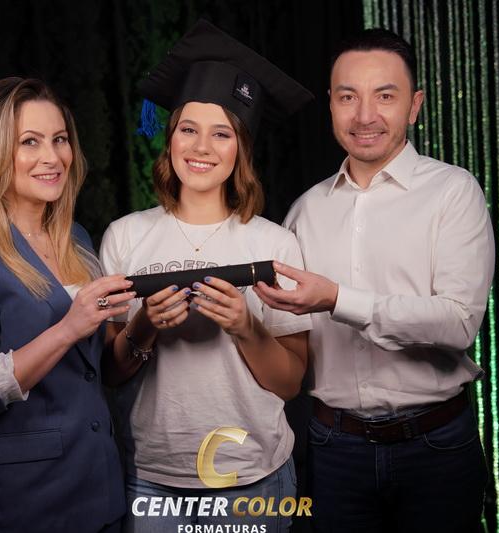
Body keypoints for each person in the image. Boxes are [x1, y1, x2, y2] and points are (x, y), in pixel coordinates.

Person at [254, 28, 495, 533]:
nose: (365, 116)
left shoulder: (453, 192)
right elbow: (286, 339)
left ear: (414, 105)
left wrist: (337, 299)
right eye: (348, 97)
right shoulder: (305, 210)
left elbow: (458, 323)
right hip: (333, 448)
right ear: (331, 105)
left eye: (385, 96)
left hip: (436, 446)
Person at [99, 20, 313, 533]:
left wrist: (245, 326)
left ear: (241, 148)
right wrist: (144, 326)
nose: (201, 147)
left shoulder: (275, 244)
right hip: (152, 478)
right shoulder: (125, 236)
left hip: (253, 476)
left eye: (222, 134)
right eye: (188, 129)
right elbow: (109, 372)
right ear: (170, 138)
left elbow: (290, 383)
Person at [0, 77, 135, 533]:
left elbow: (95, 372)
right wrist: (68, 328)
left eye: (60, 139)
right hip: (22, 505)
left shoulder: (77, 239)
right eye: (29, 142)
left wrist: (149, 325)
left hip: (101, 489)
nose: (52, 157)